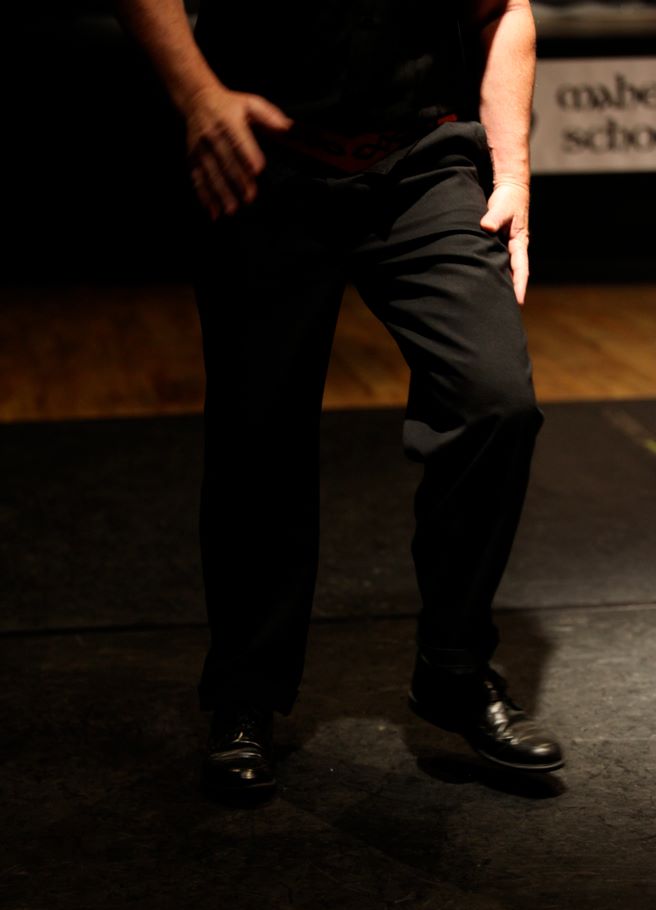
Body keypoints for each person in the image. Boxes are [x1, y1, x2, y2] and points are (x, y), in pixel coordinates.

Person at [115, 0, 565, 800]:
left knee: (494, 401)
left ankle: (453, 669)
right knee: (259, 432)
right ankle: (245, 692)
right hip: (263, 156)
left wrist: (511, 173)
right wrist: (198, 97)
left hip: (419, 161)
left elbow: (502, 12)